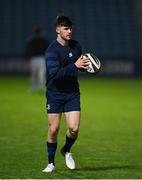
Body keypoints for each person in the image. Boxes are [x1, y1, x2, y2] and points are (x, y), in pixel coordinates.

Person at [42, 16, 90, 173]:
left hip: (72, 93)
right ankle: (51, 164)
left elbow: (78, 67)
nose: (69, 31)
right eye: (65, 28)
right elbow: (55, 74)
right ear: (58, 29)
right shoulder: (51, 50)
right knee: (54, 129)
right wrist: (75, 65)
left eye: (70, 28)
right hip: (55, 94)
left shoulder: (76, 46)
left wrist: (87, 67)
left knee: (74, 128)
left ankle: (66, 150)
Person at [26, 26, 48, 92]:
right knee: (41, 74)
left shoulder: (31, 40)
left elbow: (27, 50)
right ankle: (41, 88)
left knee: (33, 74)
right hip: (42, 59)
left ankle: (33, 88)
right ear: (41, 32)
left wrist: (28, 59)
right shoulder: (44, 40)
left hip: (33, 59)